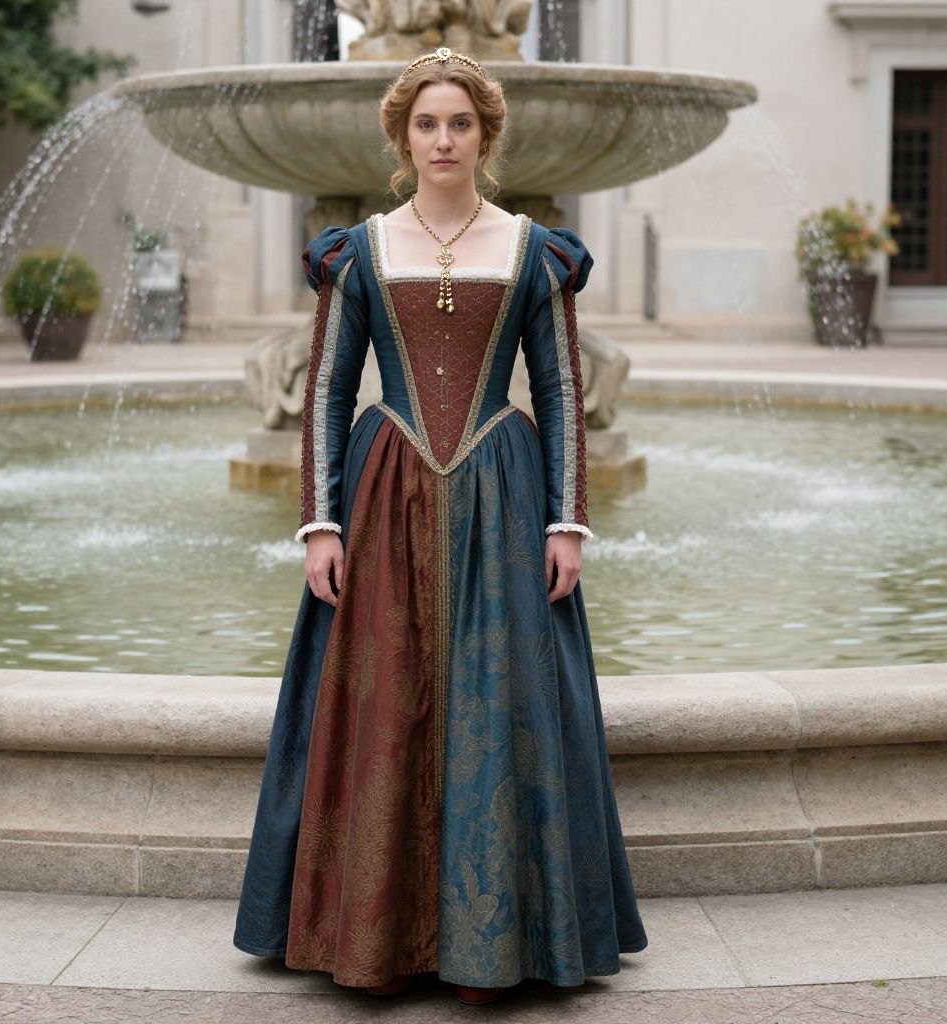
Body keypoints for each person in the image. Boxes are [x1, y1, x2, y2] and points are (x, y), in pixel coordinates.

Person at [232, 45, 648, 1006]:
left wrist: (568, 522)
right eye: (428, 123)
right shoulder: (361, 250)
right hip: (386, 496)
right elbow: (331, 391)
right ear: (402, 134)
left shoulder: (533, 248)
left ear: (486, 134)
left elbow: (557, 389)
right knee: (386, 702)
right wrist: (321, 523)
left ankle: (500, 940)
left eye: (461, 122)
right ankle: (375, 936)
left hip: (504, 492)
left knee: (503, 707)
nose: (444, 138)